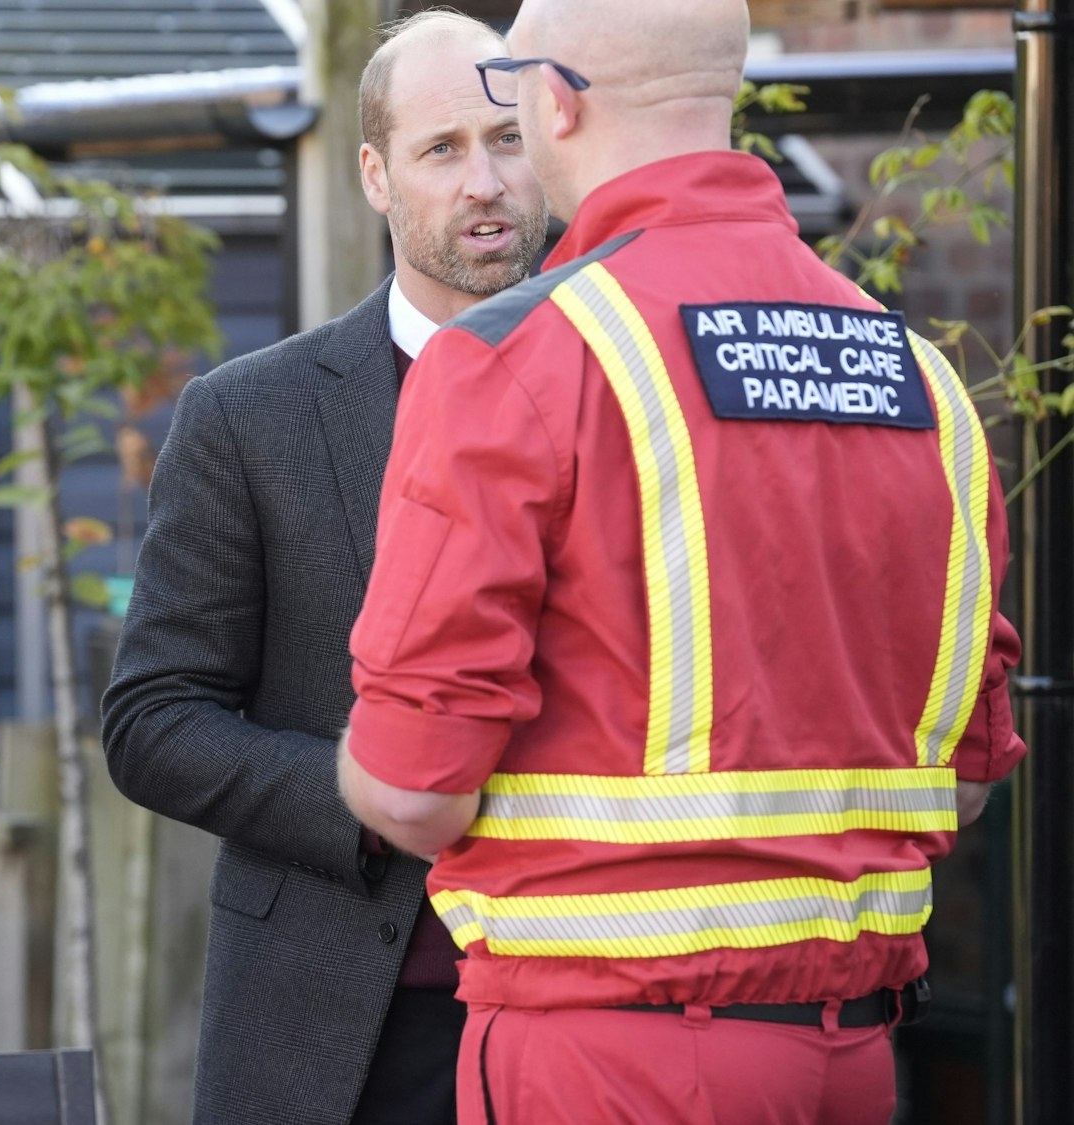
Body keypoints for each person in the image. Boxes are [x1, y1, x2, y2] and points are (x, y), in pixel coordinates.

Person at [336, 0, 1024, 1121]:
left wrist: (360, 769)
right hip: (852, 1055)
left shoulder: (515, 359)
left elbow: (414, 790)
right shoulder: (920, 379)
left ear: (552, 99)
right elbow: (965, 771)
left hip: (609, 1054)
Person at [101, 11, 548, 1124]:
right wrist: (375, 803)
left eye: (505, 140)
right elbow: (152, 719)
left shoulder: (634, 392)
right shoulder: (246, 417)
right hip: (340, 1018)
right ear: (375, 175)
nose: (481, 180)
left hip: (582, 1002)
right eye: (440, 149)